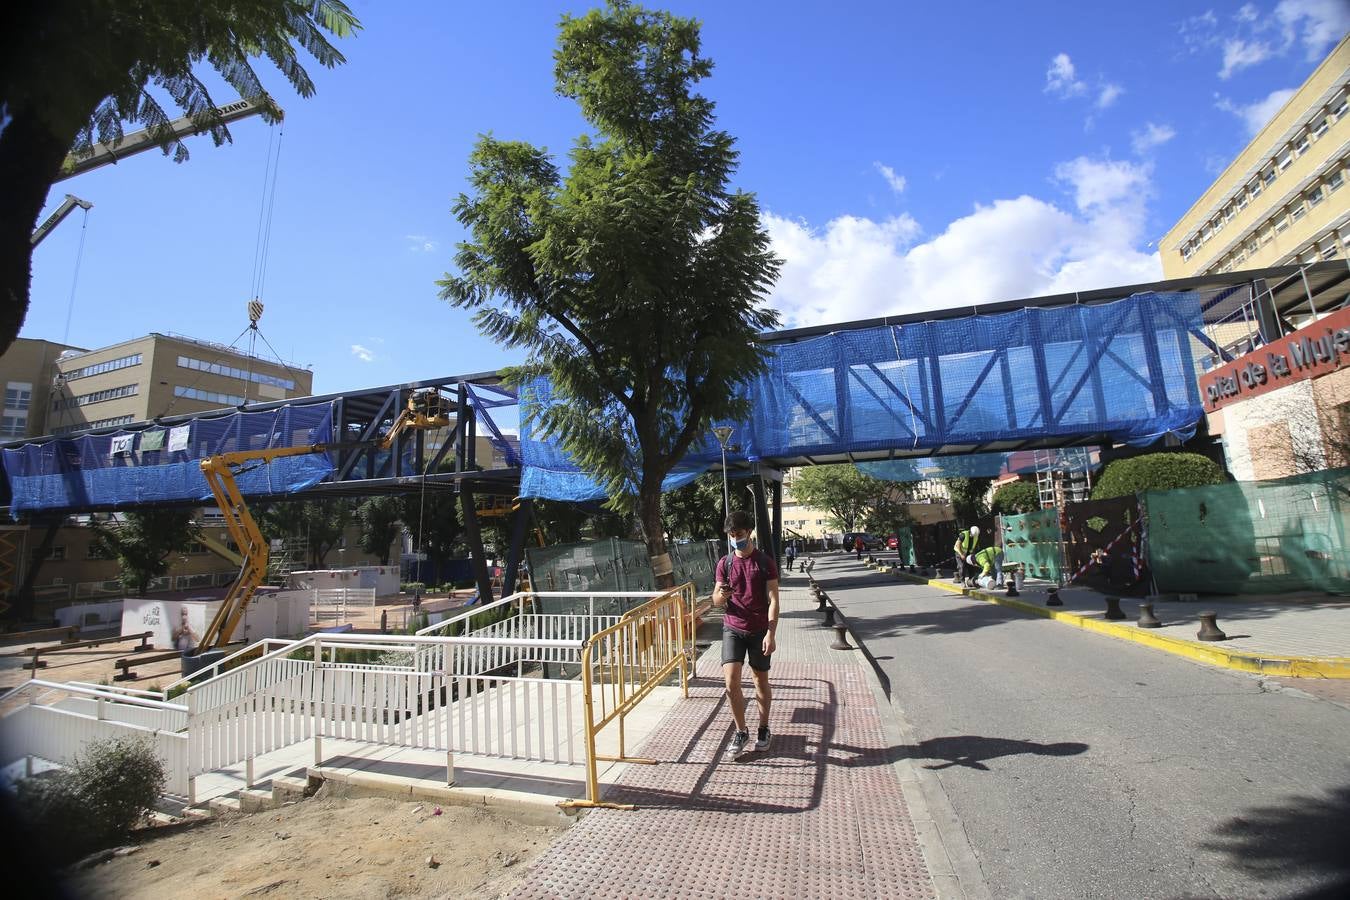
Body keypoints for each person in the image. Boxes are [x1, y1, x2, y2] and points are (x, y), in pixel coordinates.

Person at [713, 510, 780, 757]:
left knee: (760, 680)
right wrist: (722, 596)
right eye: (731, 535)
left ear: (749, 532)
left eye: (738, 534)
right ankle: (741, 731)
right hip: (732, 627)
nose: (735, 539)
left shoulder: (765, 563)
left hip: (759, 629)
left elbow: (774, 600)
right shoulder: (725, 563)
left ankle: (763, 727)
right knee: (730, 682)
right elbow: (715, 599)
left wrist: (771, 633)